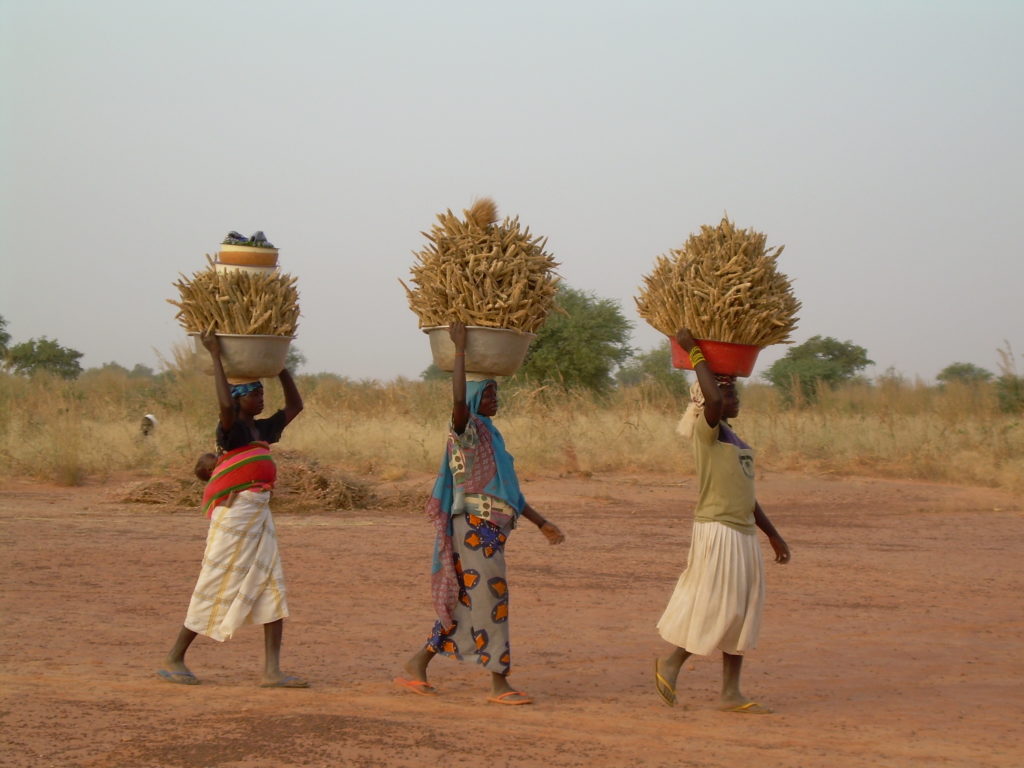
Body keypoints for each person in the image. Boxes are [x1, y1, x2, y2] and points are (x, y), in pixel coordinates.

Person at [397, 322, 566, 705]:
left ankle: (416, 665)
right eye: (489, 393)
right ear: (474, 399)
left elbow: (510, 493)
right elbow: (457, 402)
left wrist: (543, 524)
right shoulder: (466, 430)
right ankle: (498, 682)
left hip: (490, 528)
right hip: (474, 527)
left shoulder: (492, 436)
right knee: (492, 599)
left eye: (496, 393)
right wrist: (459, 351)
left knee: (464, 602)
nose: (496, 399)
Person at [157, 331, 307, 688]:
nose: (261, 398)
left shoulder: (262, 428)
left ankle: (272, 670)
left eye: (261, 393)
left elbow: (296, 407)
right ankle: (175, 656)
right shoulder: (232, 429)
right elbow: (224, 406)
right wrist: (216, 358)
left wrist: (281, 368)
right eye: (255, 394)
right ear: (239, 399)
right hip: (235, 514)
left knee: (272, 585)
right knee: (216, 581)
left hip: (258, 515)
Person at [653, 328, 791, 714]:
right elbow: (711, 395)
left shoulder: (734, 439)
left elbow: (748, 496)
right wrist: (695, 352)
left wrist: (773, 536)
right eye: (728, 393)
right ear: (706, 402)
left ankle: (731, 692)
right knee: (720, 604)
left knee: (742, 610)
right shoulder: (706, 431)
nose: (734, 398)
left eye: (734, 391)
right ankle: (671, 662)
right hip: (717, 529)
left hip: (742, 531)